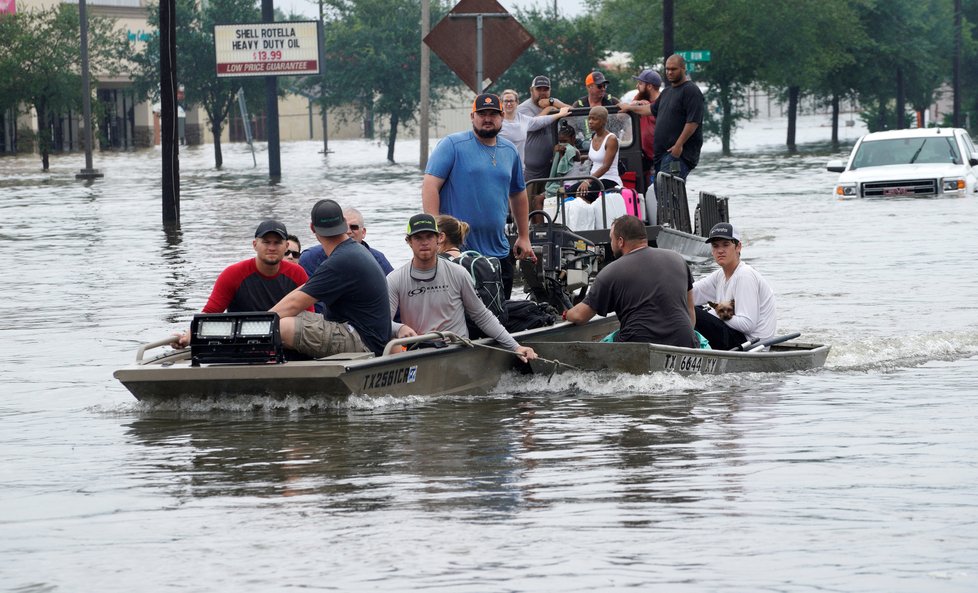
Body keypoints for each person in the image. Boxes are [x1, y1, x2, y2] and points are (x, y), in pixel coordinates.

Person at [422, 92, 535, 300]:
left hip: (499, 252)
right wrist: (434, 232)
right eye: (482, 113)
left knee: (501, 315)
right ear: (472, 116)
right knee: (463, 319)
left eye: (493, 113)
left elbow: (518, 194)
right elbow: (430, 185)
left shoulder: (510, 150)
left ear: (502, 117)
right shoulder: (452, 145)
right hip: (459, 252)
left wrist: (524, 236)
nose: (488, 118)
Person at [387, 214, 536, 362]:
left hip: (456, 350)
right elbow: (384, 322)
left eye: (429, 237)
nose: (424, 242)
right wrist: (399, 329)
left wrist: (515, 347)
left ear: (439, 238)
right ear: (409, 241)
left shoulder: (458, 273)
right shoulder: (395, 279)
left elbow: (482, 315)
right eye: (418, 238)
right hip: (419, 353)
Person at [271, 199, 391, 357]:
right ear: (343, 224)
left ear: (312, 228)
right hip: (368, 335)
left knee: (282, 326)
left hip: (364, 342)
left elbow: (295, 303)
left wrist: (261, 324)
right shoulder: (350, 252)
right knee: (287, 317)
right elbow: (305, 290)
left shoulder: (341, 260)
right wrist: (266, 316)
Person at [172, 219, 310, 348]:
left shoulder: (298, 274)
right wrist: (187, 337)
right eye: (266, 242)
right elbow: (210, 313)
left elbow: (309, 319)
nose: (272, 248)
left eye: (277, 243)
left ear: (286, 246)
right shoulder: (232, 274)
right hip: (241, 347)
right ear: (255, 245)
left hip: (285, 345)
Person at [563, 215, 697, 348]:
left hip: (638, 345)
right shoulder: (678, 260)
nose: (611, 244)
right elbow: (690, 311)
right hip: (685, 341)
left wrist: (565, 313)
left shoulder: (611, 272)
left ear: (620, 241)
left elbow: (580, 316)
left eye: (611, 239)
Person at [692, 223, 777, 350]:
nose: (720, 250)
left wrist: (714, 312)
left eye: (726, 245)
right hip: (735, 337)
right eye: (715, 246)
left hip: (750, 345)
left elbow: (747, 324)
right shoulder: (719, 275)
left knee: (693, 312)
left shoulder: (744, 276)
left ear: (738, 247)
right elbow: (690, 294)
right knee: (688, 306)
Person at [651, 54, 705, 181]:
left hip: (678, 154)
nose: (669, 72)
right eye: (667, 69)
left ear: (683, 68)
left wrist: (679, 145)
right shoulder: (666, 92)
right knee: (661, 192)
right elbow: (651, 109)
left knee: (668, 191)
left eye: (673, 69)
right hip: (661, 154)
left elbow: (693, 122)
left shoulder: (691, 90)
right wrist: (630, 107)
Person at [299, 207, 393, 277]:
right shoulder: (310, 258)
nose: (348, 231)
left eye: (354, 227)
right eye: (343, 227)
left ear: (363, 232)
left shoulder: (378, 259)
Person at [498, 88, 571, 167]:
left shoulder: (523, 119)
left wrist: (559, 114)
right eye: (506, 101)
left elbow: (539, 121)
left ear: (517, 103)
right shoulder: (497, 121)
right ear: (501, 103)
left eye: (511, 101)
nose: (509, 104)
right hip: (501, 166)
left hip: (519, 168)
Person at [518, 75, 559, 200]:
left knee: (549, 208)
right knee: (529, 211)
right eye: (539, 89)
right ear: (531, 90)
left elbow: (572, 112)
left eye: (545, 89)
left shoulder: (552, 102)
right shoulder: (523, 108)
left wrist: (554, 103)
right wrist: (548, 109)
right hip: (530, 174)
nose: (542, 92)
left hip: (551, 171)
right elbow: (532, 125)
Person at [618, 68, 662, 185]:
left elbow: (654, 113)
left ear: (649, 86)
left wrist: (644, 107)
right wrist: (633, 105)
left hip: (662, 154)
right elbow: (620, 117)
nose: (637, 86)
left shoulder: (663, 102)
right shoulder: (639, 98)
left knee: (664, 188)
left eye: (641, 83)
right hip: (644, 155)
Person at [571, 106, 622, 201]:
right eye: (589, 118)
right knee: (567, 193)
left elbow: (606, 166)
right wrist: (580, 157)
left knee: (580, 194)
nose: (590, 121)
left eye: (594, 119)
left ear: (603, 121)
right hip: (595, 179)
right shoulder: (594, 136)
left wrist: (588, 180)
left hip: (609, 179)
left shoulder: (611, 139)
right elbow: (596, 157)